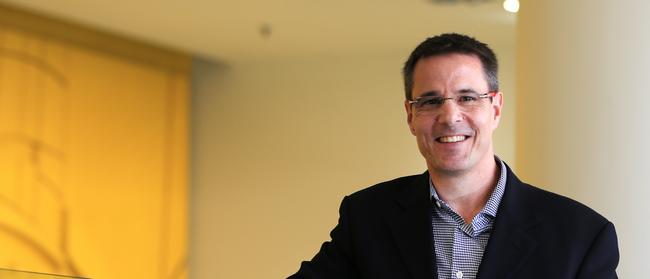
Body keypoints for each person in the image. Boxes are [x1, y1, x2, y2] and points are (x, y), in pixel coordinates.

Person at [288, 33, 619, 279]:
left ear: (496, 108)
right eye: (430, 101)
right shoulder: (367, 218)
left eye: (468, 98)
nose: (449, 117)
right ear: (409, 115)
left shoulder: (581, 236)